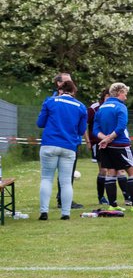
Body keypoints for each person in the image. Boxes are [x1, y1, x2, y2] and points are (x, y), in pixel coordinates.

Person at [36, 76, 87, 221]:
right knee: (65, 181)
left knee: (46, 178)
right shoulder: (81, 107)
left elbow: (40, 123)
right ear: (73, 91)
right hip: (69, 146)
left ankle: (44, 212)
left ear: (60, 90)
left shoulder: (50, 101)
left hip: (49, 144)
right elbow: (81, 130)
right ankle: (65, 213)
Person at [94, 82, 133, 211]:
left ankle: (113, 205)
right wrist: (110, 138)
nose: (126, 98)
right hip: (121, 144)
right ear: (119, 93)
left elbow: (95, 129)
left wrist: (105, 139)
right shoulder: (120, 107)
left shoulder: (102, 108)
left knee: (111, 172)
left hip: (107, 146)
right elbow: (121, 127)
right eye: (125, 94)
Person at [51, 72, 83, 211]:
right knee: (65, 173)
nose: (71, 84)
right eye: (67, 81)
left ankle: (63, 199)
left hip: (72, 141)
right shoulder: (54, 101)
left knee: (67, 173)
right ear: (59, 84)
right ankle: (64, 201)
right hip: (65, 142)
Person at [86, 89, 108, 205]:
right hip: (98, 142)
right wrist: (88, 141)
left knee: (116, 170)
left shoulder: (116, 106)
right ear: (106, 96)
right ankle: (101, 197)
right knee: (103, 170)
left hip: (112, 143)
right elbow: (85, 124)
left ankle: (125, 196)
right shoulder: (94, 108)